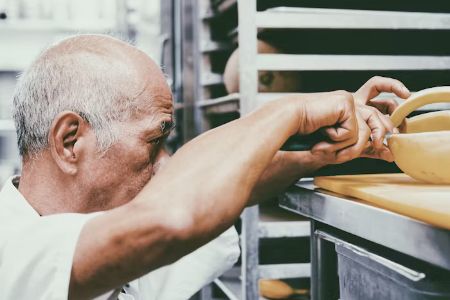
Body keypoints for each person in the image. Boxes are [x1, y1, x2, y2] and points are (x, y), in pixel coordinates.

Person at [0, 34, 410, 300]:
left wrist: (322, 150)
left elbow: (228, 184)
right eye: (154, 141)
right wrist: (292, 112)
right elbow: (174, 214)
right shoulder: (11, 251)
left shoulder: (101, 225)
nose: (165, 165)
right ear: (71, 141)